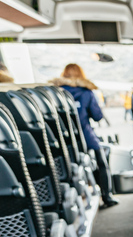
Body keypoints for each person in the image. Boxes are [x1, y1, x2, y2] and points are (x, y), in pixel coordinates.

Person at [50, 63, 118, 207]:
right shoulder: (86, 92)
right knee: (101, 162)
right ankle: (107, 197)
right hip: (84, 136)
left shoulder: (54, 93)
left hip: (62, 138)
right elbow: (97, 116)